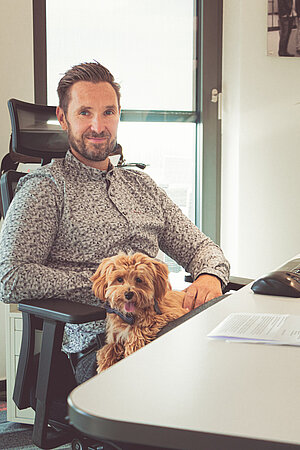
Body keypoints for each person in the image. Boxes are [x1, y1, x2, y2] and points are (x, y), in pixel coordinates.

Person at [0, 62, 229, 383]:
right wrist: (109, 286)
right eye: (84, 113)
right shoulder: (45, 188)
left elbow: (201, 248)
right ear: (63, 117)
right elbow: (11, 277)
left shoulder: (142, 185)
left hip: (171, 323)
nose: (98, 125)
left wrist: (209, 276)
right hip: (105, 343)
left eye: (108, 112)